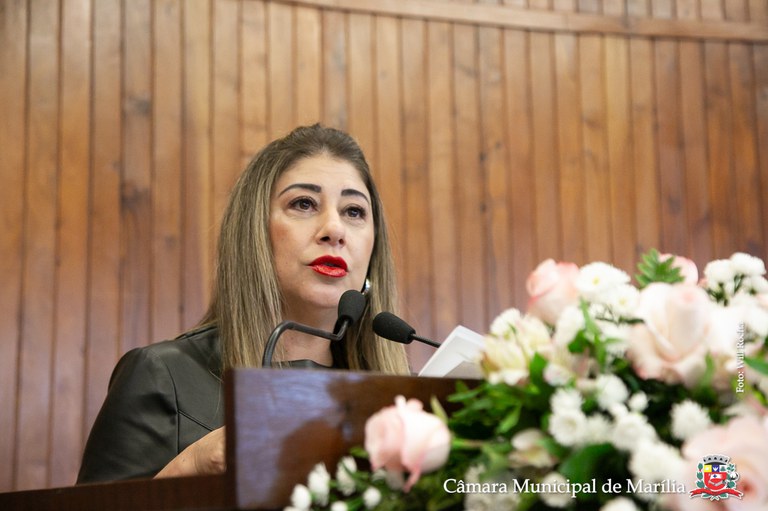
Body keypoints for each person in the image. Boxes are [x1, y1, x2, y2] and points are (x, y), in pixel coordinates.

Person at [77, 124, 411, 483]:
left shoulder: (403, 403)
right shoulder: (162, 375)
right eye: (303, 204)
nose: (334, 229)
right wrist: (192, 464)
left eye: (354, 211)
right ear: (254, 233)